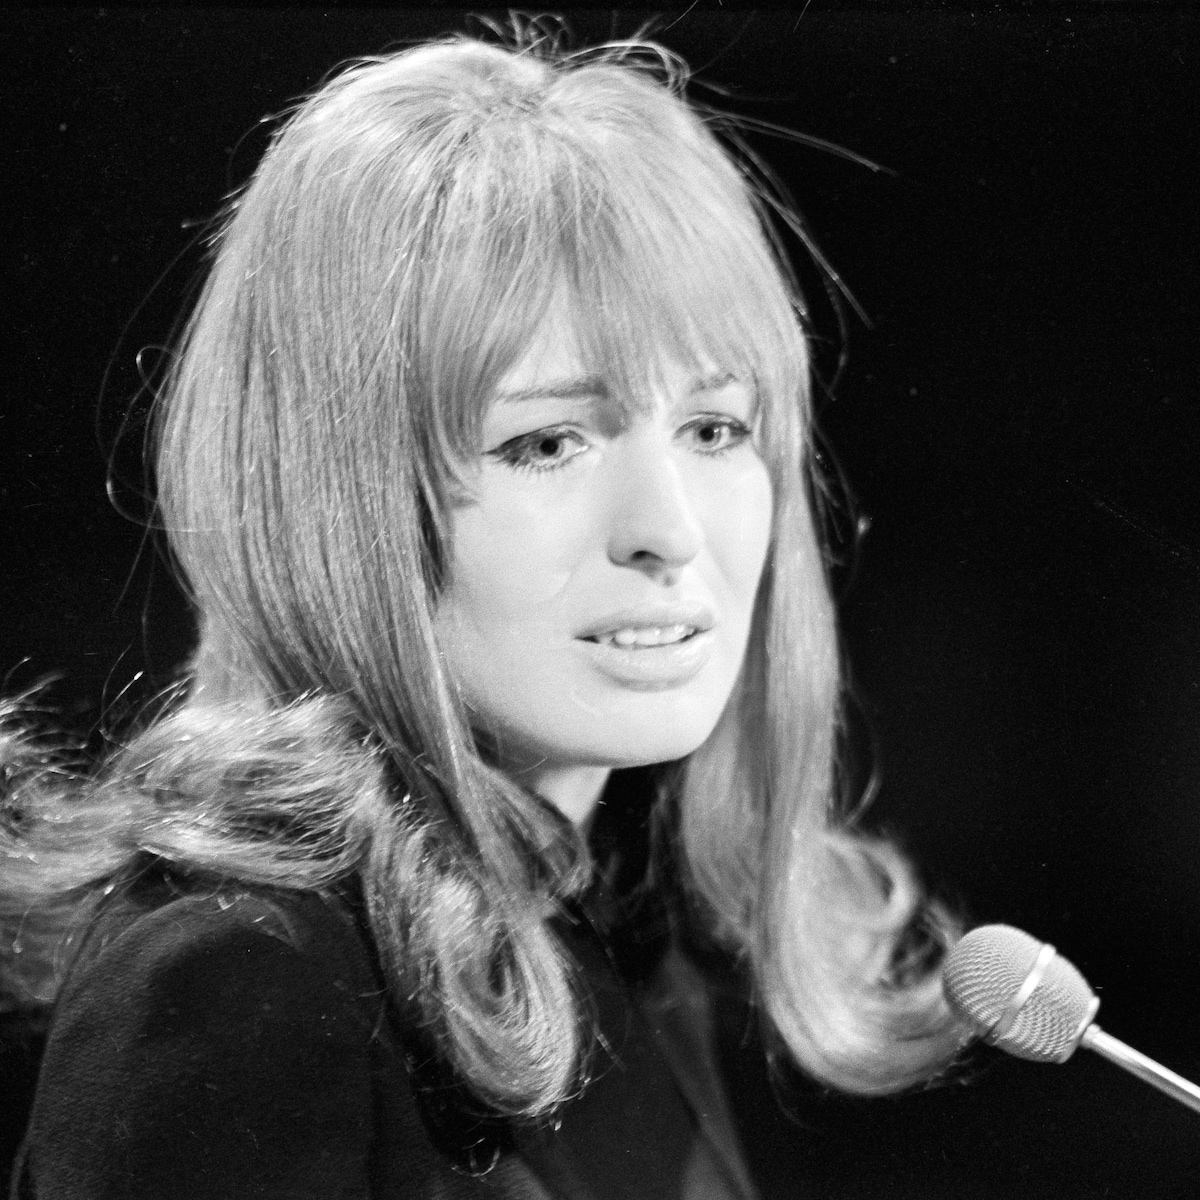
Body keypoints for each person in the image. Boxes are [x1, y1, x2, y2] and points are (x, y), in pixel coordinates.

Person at [1, 26, 966, 1199]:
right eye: (547, 441)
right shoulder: (239, 980)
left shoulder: (620, 935)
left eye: (715, 429)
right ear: (340, 501)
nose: (669, 529)